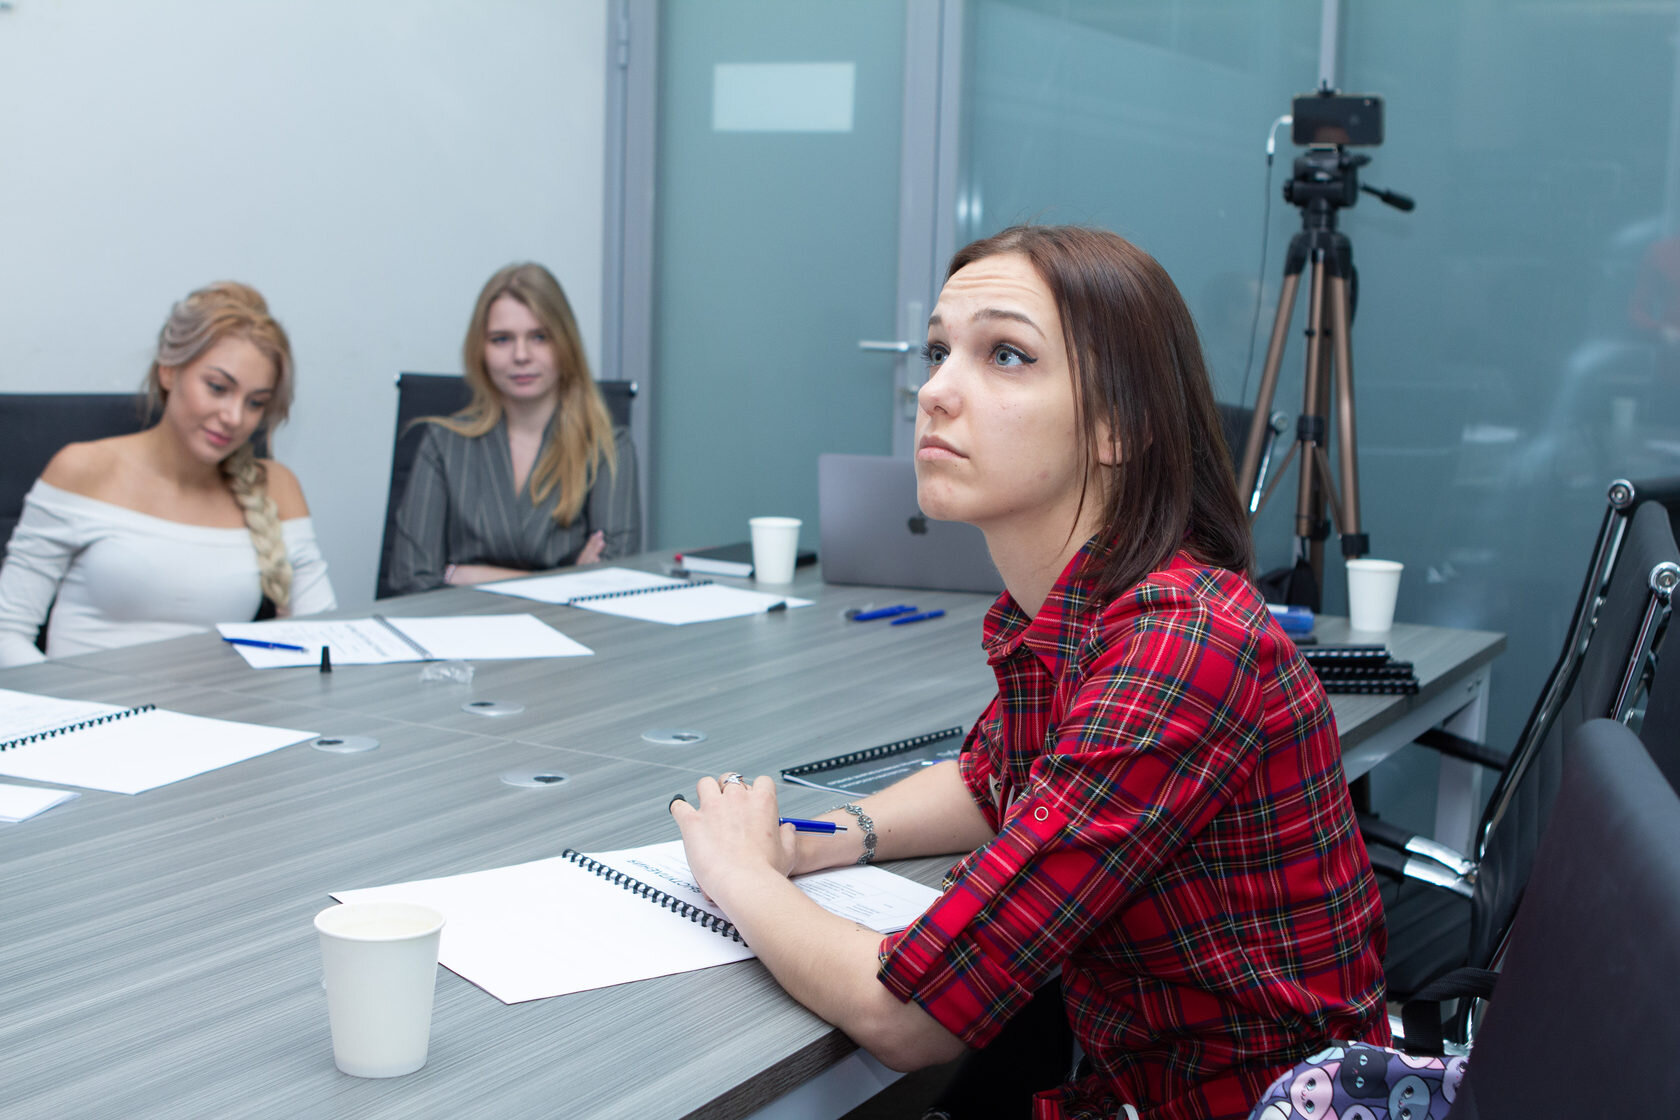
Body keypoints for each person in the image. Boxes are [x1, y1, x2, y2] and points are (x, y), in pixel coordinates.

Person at [671, 226, 1389, 1120]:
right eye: (939, 352)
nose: (935, 391)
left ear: (1119, 427)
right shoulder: (1080, 606)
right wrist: (811, 840)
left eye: (1005, 355)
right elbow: (993, 780)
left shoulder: (1182, 644)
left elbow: (909, 1013)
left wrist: (740, 875)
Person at [0, 281, 336, 667]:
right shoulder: (83, 469)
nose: (234, 417)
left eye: (256, 402)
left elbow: (322, 634)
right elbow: (6, 632)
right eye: (217, 387)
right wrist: (64, 713)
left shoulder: (276, 486)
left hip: (224, 721)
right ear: (169, 372)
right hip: (88, 717)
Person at [385, 263, 640, 593]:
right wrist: (566, 582)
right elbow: (411, 581)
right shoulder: (442, 443)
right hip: (458, 636)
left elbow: (610, 586)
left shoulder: (608, 448)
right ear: (481, 350)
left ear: (566, 344)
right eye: (501, 339)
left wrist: (464, 575)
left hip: (575, 641)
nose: (521, 355)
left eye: (539, 337)